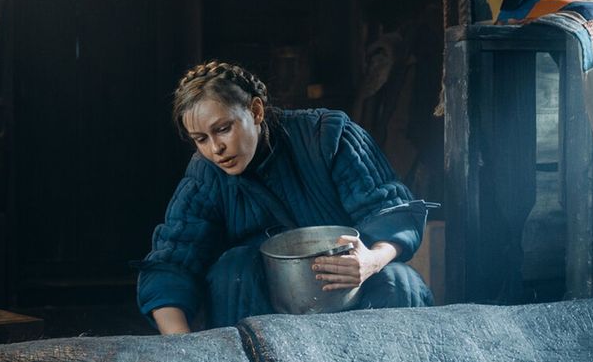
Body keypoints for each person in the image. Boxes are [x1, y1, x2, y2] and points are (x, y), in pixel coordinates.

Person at [137, 61, 433, 334]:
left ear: (256, 111)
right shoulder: (206, 174)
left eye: (223, 129)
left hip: (348, 290)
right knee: (233, 269)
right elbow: (172, 262)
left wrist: (370, 260)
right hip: (263, 310)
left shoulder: (327, 136)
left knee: (400, 281)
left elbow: (390, 210)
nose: (215, 149)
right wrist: (185, 346)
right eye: (201, 139)